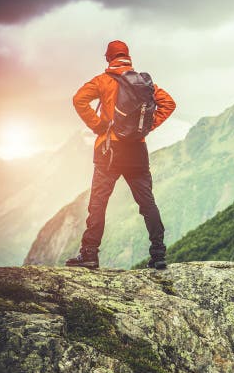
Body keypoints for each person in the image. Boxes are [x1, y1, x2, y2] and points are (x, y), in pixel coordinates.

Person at [66, 40, 175, 270]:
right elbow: (169, 103)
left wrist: (97, 126)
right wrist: (146, 127)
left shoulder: (103, 81)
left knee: (99, 202)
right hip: (137, 150)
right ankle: (158, 254)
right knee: (147, 202)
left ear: (109, 58)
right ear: (128, 57)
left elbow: (79, 100)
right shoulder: (145, 84)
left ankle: (89, 255)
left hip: (110, 150)